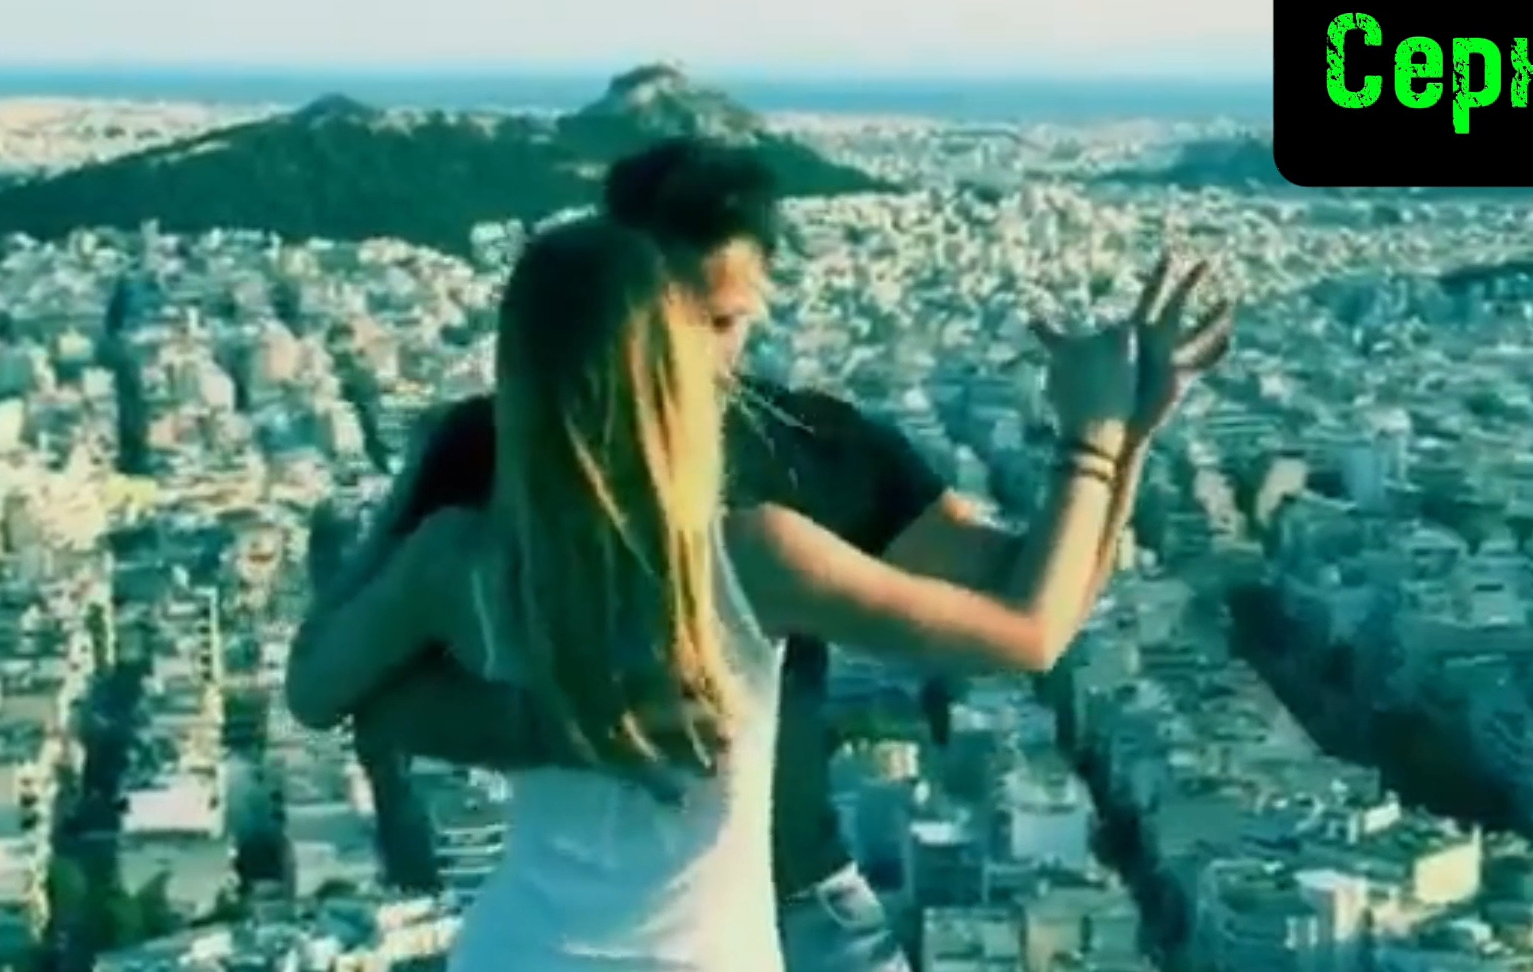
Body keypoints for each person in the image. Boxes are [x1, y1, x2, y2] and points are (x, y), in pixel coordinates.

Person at [290, 137, 1232, 972]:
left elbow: (1036, 597)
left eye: (727, 320)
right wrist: (1098, 433)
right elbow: (1033, 624)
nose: (702, 357)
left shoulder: (809, 447)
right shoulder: (529, 470)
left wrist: (1128, 439)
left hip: (666, 917)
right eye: (676, 320)